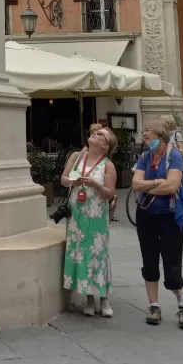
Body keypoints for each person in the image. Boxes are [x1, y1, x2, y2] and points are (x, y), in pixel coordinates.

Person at [132, 114, 183, 330]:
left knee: (172, 260)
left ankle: (181, 306)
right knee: (149, 260)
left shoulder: (174, 156)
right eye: (144, 131)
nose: (144, 134)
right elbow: (135, 185)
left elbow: (173, 186)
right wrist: (158, 182)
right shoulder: (145, 158)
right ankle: (154, 306)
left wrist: (148, 188)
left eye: (147, 130)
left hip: (170, 216)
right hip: (146, 215)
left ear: (160, 133)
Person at [60, 126, 118, 318]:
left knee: (98, 255)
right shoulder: (76, 157)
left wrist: (96, 185)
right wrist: (72, 182)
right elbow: (63, 179)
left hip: (96, 217)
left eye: (101, 134)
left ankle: (104, 298)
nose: (95, 134)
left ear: (105, 145)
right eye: (95, 132)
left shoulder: (108, 165)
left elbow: (110, 193)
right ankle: (89, 298)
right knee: (81, 253)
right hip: (77, 216)